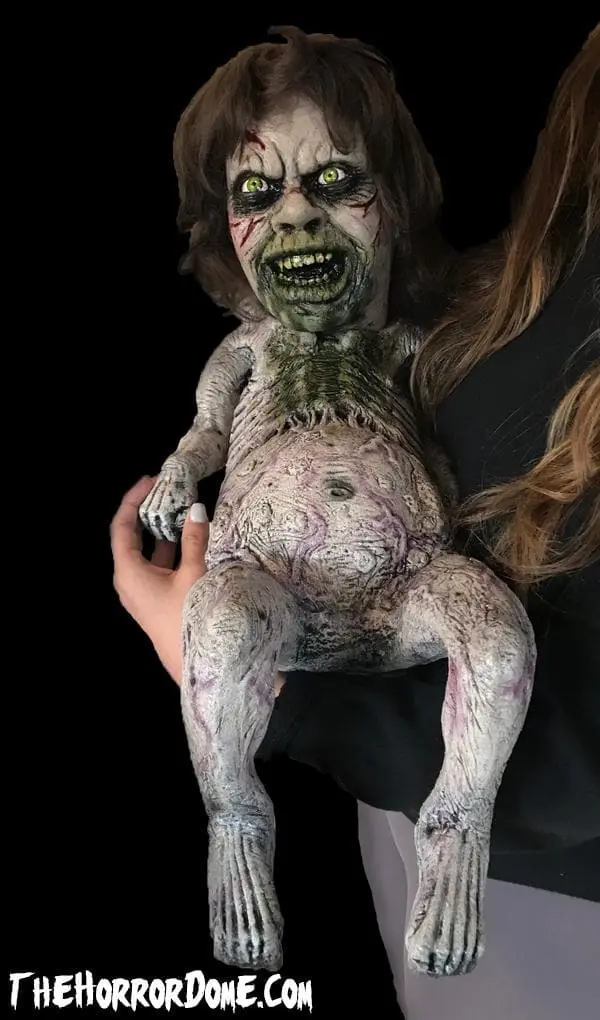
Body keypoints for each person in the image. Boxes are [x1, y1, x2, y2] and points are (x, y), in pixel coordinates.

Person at [111, 25, 599, 1020]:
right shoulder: (252, 351)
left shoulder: (417, 341)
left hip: (414, 609)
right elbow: (206, 434)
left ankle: (457, 822)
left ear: (395, 204)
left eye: (335, 181)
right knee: (220, 630)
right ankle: (235, 819)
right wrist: (180, 476)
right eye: (258, 193)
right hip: (278, 599)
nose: (297, 215)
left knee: (496, 638)